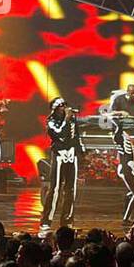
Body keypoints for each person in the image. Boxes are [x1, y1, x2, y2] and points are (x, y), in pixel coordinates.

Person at [42, 98, 85, 228]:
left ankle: (67, 220)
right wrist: (66, 119)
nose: (65, 107)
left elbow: (76, 135)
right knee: (55, 189)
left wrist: (80, 150)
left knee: (71, 189)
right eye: (61, 106)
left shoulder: (72, 120)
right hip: (60, 155)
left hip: (72, 155)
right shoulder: (51, 122)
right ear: (55, 109)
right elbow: (60, 134)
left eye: (65, 105)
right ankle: (46, 220)